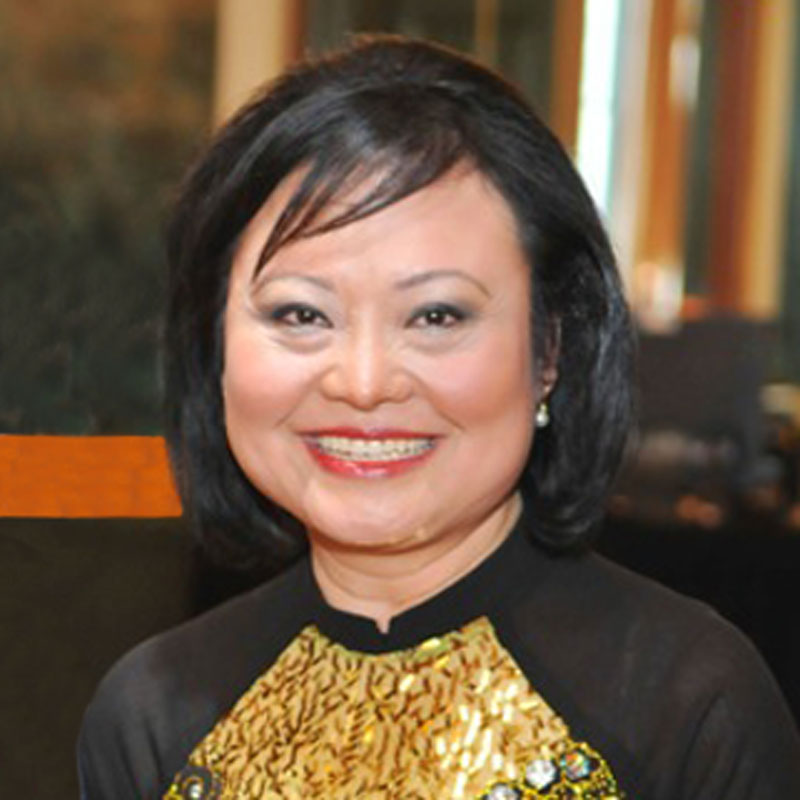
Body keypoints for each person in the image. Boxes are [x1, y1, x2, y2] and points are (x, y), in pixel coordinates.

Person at [78, 36, 800, 800]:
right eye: (300, 314)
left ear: (550, 348)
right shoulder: (150, 714)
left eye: (435, 316)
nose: (363, 383)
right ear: (214, 343)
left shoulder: (686, 704)